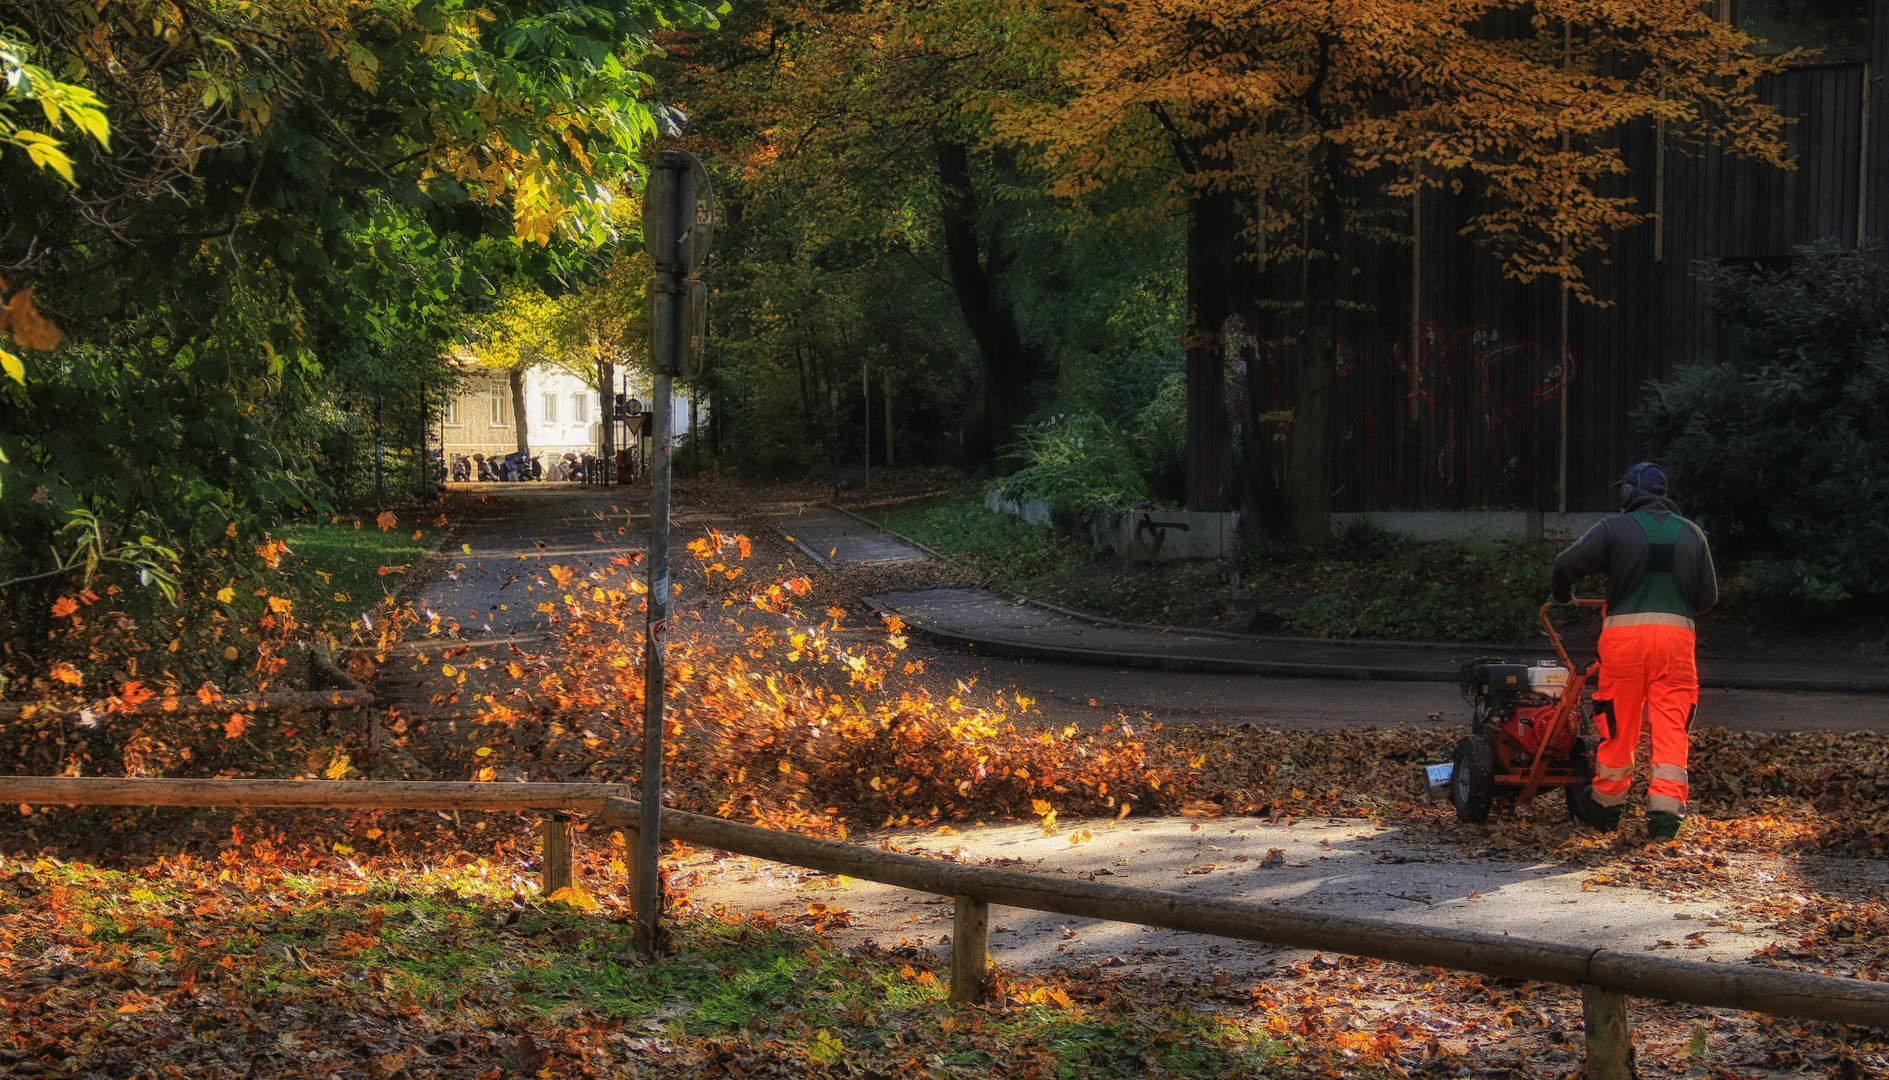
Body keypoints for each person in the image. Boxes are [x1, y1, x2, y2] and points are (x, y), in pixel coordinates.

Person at [1551, 462, 1718, 842]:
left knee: (1618, 724)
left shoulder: (1613, 528)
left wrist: (1562, 595)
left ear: (1629, 492)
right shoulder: (1693, 534)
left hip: (1625, 643)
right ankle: (1665, 818)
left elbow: (1565, 565)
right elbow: (1707, 598)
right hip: (1676, 643)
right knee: (1672, 727)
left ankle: (1606, 811)